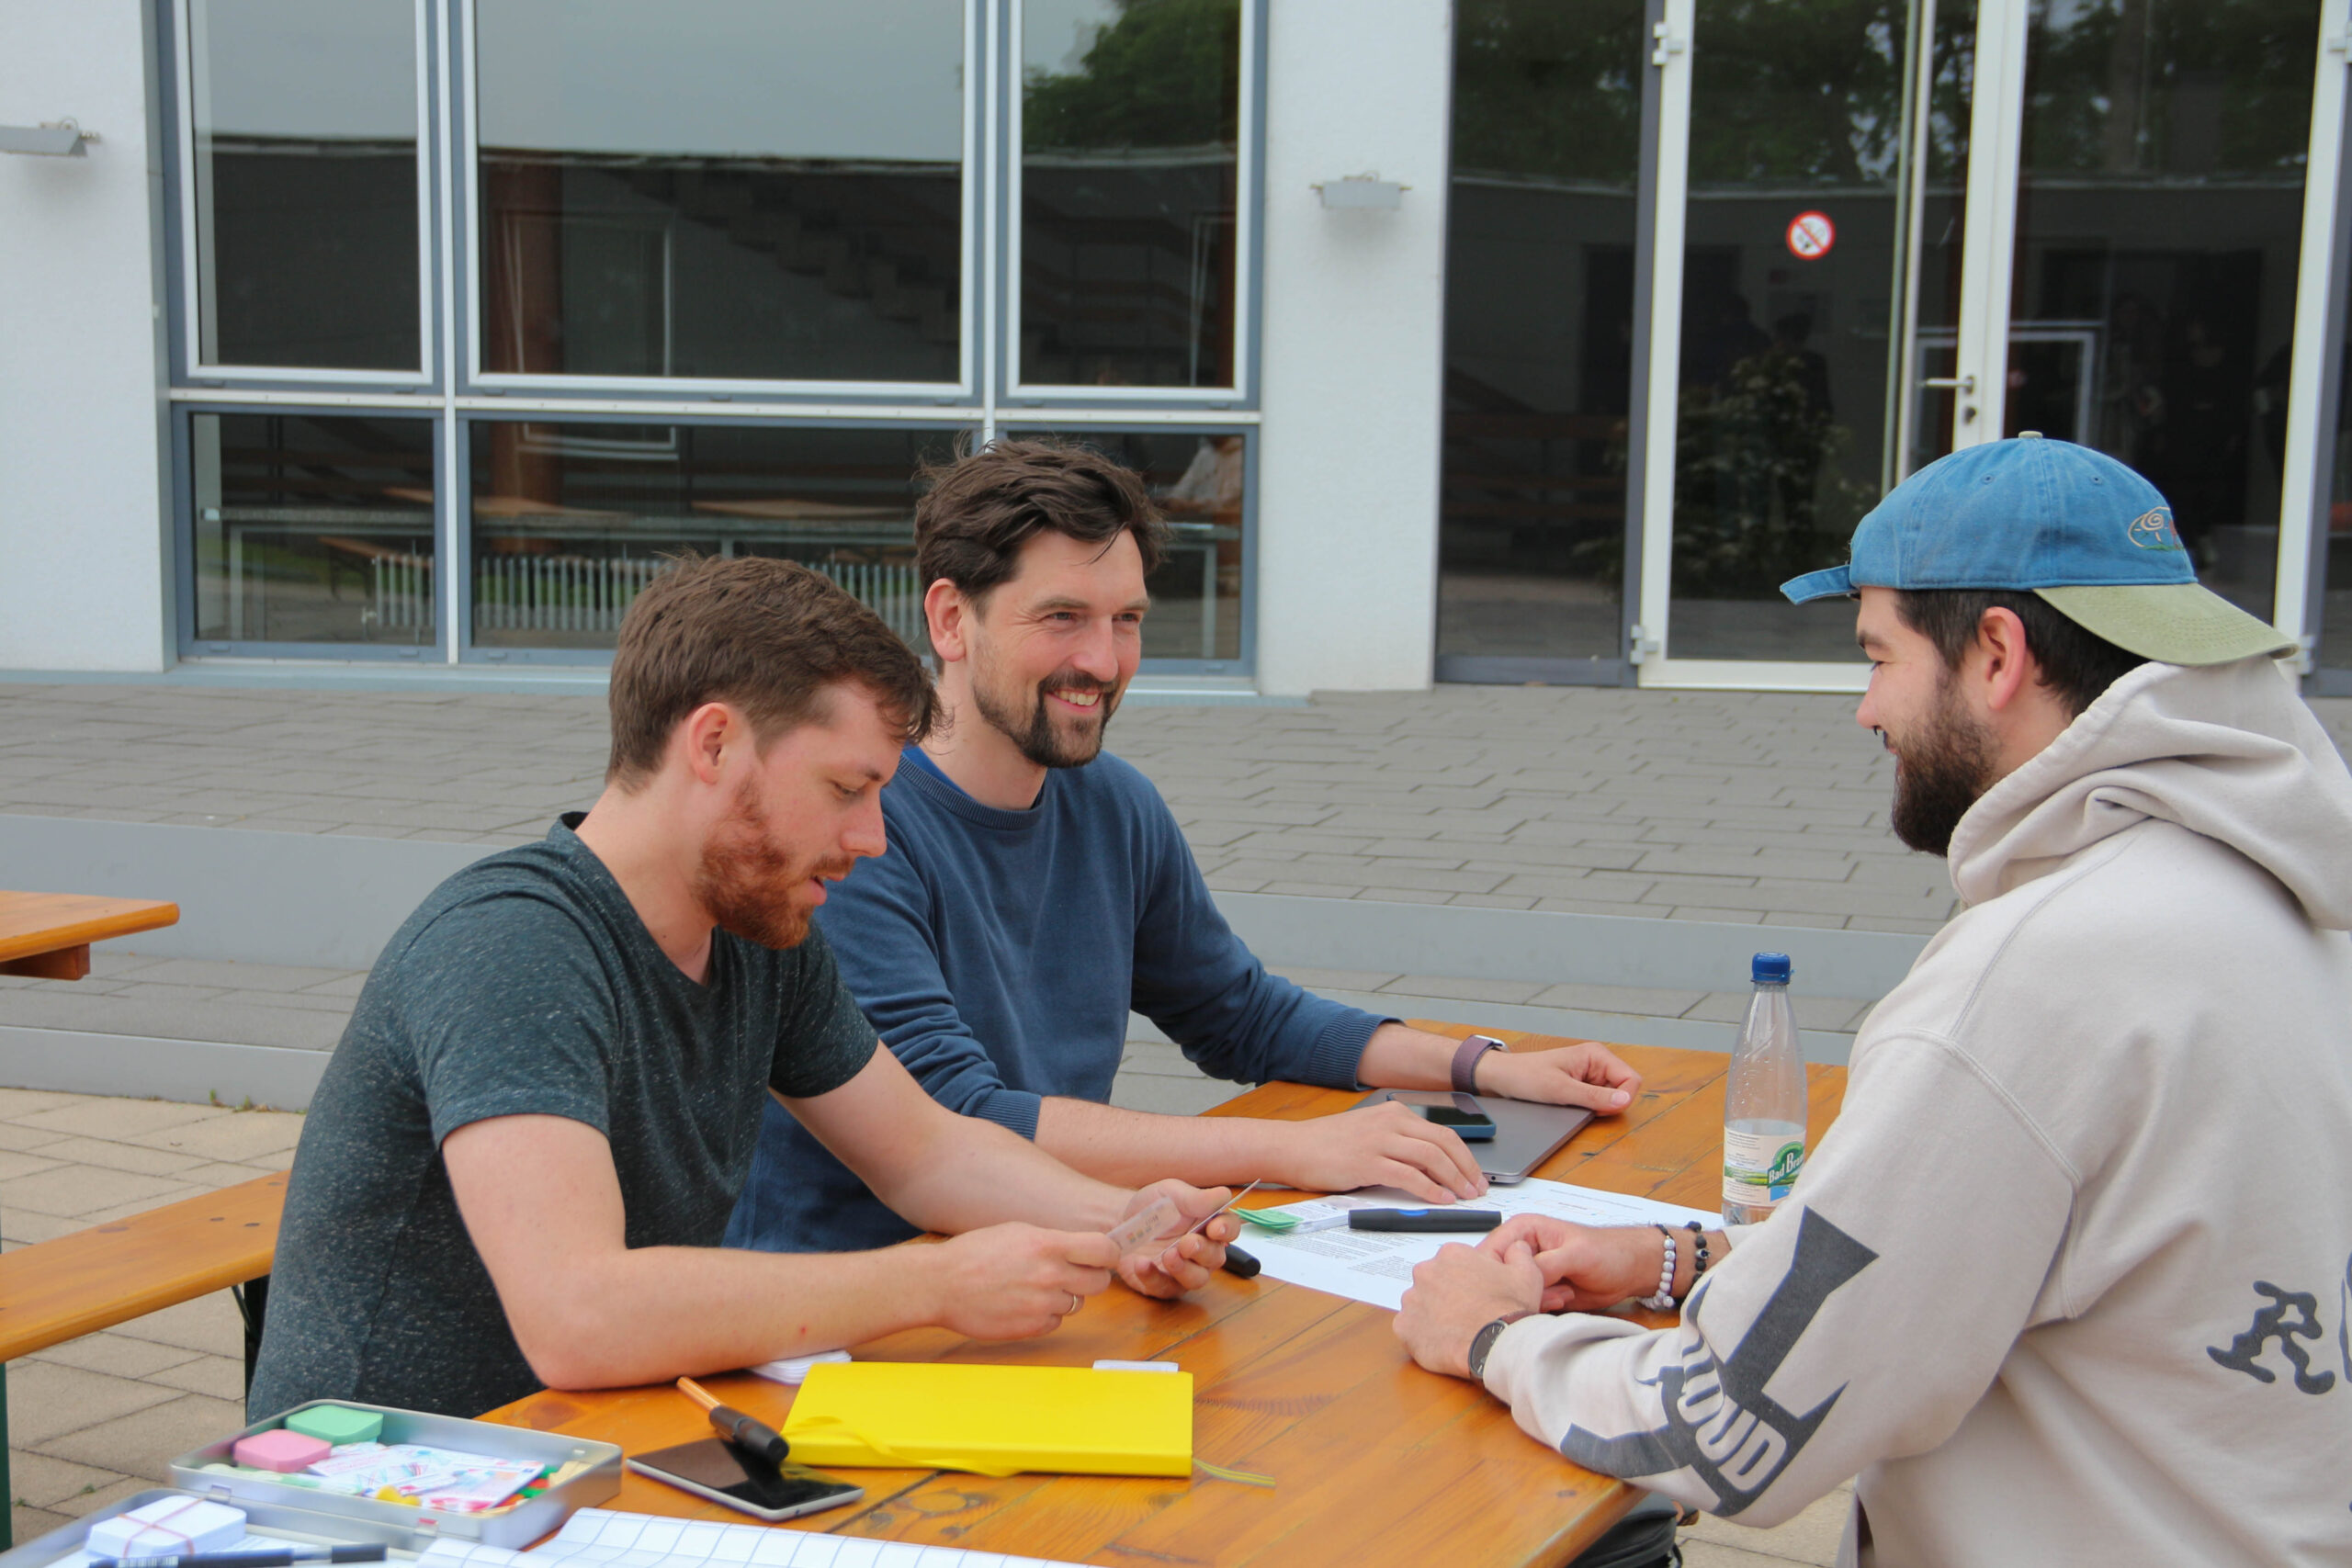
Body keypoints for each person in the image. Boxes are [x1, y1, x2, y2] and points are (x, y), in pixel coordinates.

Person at [1394, 434, 2352, 1564]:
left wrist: (1493, 1336)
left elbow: (1731, 1434)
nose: (1864, 710)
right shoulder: (2281, 900)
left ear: (1996, 654)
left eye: (1878, 655)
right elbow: (2016, 1266)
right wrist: (1673, 1262)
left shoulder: (2044, 972)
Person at [249, 556, 1234, 1420]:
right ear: (714, 744)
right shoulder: (514, 948)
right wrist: (933, 1281)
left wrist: (1121, 1225)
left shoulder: (758, 931)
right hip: (378, 1505)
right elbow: (576, 1314)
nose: (872, 840)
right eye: (848, 790)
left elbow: (925, 1154)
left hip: (584, 1456)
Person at [728, 440, 1642, 1254]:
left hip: (1075, 1259)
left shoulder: (1112, 804)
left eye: (1125, 620)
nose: (1104, 659)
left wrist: (1484, 1066)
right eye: (1061, 618)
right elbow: (960, 1117)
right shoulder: (857, 833)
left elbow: (1239, 1013)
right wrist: (1294, 1148)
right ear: (949, 620)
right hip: (856, 1301)